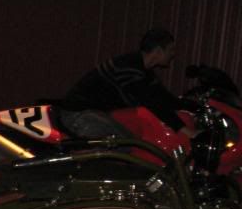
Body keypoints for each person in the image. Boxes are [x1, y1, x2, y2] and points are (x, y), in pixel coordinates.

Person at [61, 27, 196, 139]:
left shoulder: (144, 72)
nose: (173, 54)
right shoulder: (129, 68)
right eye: (170, 50)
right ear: (158, 51)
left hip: (94, 113)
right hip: (78, 113)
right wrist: (184, 130)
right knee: (125, 144)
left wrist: (195, 107)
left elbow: (162, 97)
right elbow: (151, 102)